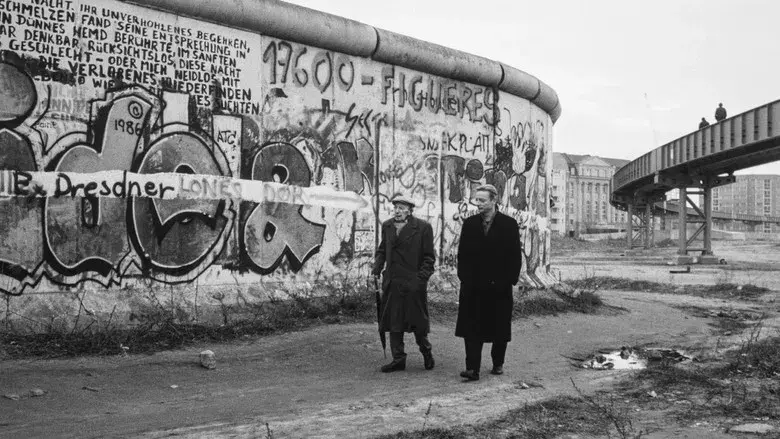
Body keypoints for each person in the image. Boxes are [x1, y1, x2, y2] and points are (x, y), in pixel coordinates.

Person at [455, 184, 522, 381]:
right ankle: (472, 368)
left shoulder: (509, 224)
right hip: (473, 286)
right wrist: (464, 277)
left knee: (499, 327)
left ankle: (497, 362)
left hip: (499, 287)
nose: (478, 204)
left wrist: (509, 280)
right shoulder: (470, 224)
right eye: (477, 200)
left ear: (494, 201)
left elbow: (514, 256)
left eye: (482, 200)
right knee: (471, 328)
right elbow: (462, 254)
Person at [372, 194, 436, 372]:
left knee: (417, 323)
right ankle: (398, 358)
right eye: (395, 208)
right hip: (392, 282)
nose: (397, 211)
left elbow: (429, 258)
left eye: (401, 208)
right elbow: (383, 250)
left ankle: (426, 351)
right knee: (394, 321)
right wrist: (377, 268)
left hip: (413, 283)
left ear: (410, 210)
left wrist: (420, 280)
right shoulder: (388, 226)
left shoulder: (423, 228)